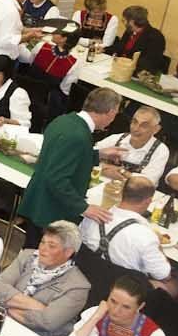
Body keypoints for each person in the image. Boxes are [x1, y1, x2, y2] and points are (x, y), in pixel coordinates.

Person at [16, 87, 124, 243]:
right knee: (41, 254)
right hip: (52, 210)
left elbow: (60, 156)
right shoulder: (78, 136)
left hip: (40, 200)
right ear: (110, 112)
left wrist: (98, 154)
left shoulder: (63, 121)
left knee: (31, 250)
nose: (114, 119)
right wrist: (83, 208)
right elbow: (57, 179)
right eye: (115, 114)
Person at [0, 221, 92, 336]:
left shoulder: (78, 286)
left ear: (68, 252)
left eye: (51, 246)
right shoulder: (27, 256)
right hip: (1, 321)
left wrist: (9, 306)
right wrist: (40, 307)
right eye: (42, 242)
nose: (43, 249)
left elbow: (48, 321)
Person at [96, 106, 170, 185]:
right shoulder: (115, 139)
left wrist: (119, 171)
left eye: (144, 125)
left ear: (156, 129)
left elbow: (148, 181)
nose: (136, 129)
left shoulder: (160, 150)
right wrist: (104, 170)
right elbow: (88, 156)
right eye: (134, 122)